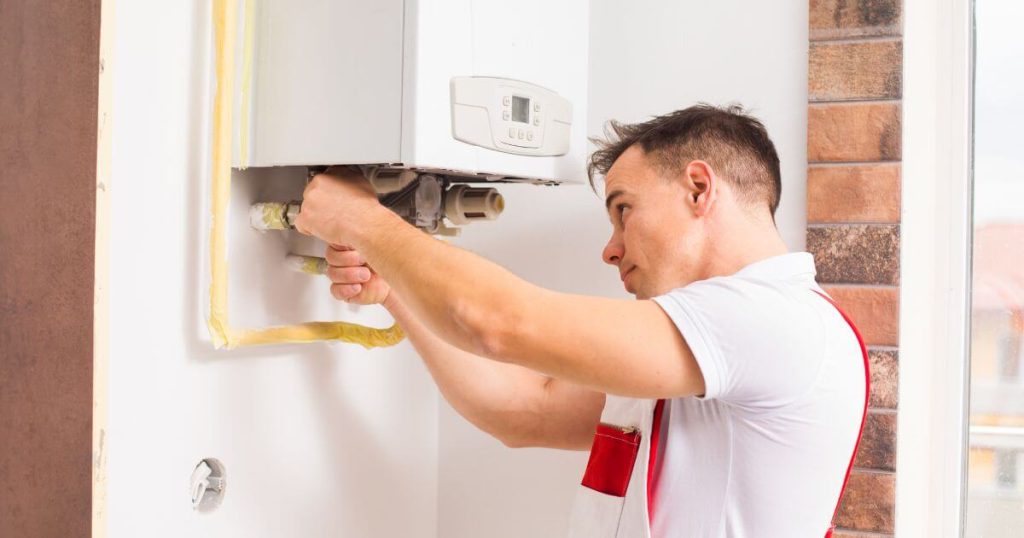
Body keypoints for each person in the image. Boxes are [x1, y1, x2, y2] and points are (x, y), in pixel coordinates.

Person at [294, 104, 869, 538]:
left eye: (624, 211)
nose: (611, 250)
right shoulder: (706, 349)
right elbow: (524, 410)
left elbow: (499, 322)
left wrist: (365, 220)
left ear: (699, 188)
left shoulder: (777, 320)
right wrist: (395, 289)